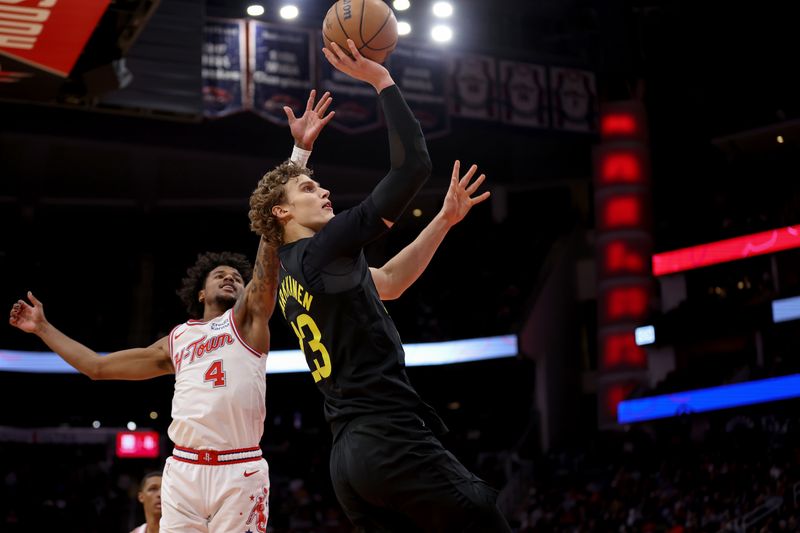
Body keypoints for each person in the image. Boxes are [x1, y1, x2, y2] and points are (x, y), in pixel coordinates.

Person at [7, 90, 334, 533]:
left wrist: (299, 154)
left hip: (239, 469)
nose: (230, 279)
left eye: (236, 277)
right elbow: (99, 369)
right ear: (199, 292)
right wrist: (44, 329)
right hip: (181, 469)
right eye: (219, 275)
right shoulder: (177, 341)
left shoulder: (248, 319)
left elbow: (269, 248)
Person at [248, 39, 511, 533]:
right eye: (309, 188)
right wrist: (382, 81)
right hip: (390, 439)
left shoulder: (290, 274)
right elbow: (413, 167)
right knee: (485, 519)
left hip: (348, 462)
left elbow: (388, 283)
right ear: (284, 213)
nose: (322, 190)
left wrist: (444, 221)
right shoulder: (325, 251)